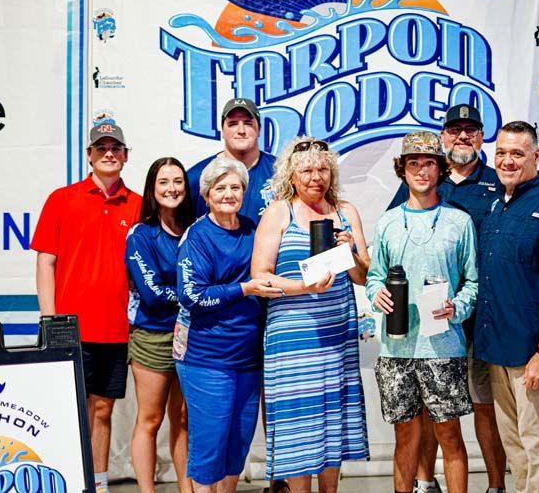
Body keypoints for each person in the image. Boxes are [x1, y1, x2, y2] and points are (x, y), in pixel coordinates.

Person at [388, 104, 505, 493]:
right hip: (424, 331)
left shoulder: (497, 180)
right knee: (423, 415)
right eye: (455, 129)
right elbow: (384, 266)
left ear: (482, 135)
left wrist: (464, 303)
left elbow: (475, 271)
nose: (463, 136)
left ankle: (494, 485)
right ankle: (425, 481)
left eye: (471, 129)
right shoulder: (404, 205)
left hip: (484, 318)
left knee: (483, 407)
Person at [251, 137, 370, 493]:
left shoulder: (346, 211)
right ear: (291, 174)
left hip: (337, 337)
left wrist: (351, 250)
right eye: (306, 170)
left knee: (332, 421)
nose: (315, 177)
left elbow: (364, 277)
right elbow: (260, 276)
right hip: (291, 339)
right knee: (298, 424)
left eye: (322, 169)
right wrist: (306, 286)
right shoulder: (278, 212)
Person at [31, 124, 142, 493]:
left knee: (103, 411)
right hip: (69, 327)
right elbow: (46, 263)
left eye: (116, 147)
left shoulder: (139, 205)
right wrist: (49, 320)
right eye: (101, 147)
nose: (109, 153)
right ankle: (63, 480)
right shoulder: (62, 199)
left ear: (125, 155)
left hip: (115, 328)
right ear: (90, 155)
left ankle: (97, 483)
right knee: (66, 411)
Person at [368, 131, 478, 493]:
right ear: (402, 170)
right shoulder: (387, 223)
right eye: (413, 163)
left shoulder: (458, 222)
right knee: (405, 436)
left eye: (428, 163)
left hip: (442, 346)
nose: (421, 170)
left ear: (440, 168)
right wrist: (377, 294)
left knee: (449, 434)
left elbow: (472, 284)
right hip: (396, 348)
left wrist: (456, 308)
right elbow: (374, 278)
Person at [474, 121, 539, 493]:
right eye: (501, 152)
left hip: (529, 353)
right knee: (514, 444)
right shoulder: (495, 206)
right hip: (494, 348)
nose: (507, 160)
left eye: (517, 153)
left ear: (536, 156)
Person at [174, 157, 284, 493]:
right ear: (206, 196)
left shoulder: (253, 230)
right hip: (207, 358)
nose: (228, 194)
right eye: (220, 188)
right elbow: (191, 296)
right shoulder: (197, 236)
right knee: (210, 443)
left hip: (248, 357)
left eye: (235, 187)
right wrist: (244, 288)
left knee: (238, 443)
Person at [125, 158, 195, 493]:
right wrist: (196, 294)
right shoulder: (141, 234)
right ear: (153, 189)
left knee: (183, 420)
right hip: (153, 336)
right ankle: (146, 490)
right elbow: (151, 294)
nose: (172, 188)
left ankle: (187, 488)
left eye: (178, 181)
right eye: (164, 182)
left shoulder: (195, 230)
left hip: (192, 336)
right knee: (150, 419)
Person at [187, 97, 276, 223]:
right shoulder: (198, 176)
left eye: (248, 123)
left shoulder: (280, 171)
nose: (241, 131)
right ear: (222, 131)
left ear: (259, 129)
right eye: (233, 124)